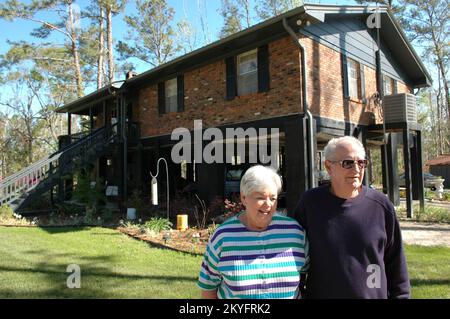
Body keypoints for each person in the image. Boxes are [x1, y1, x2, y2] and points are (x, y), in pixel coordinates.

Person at [294, 136, 410, 299]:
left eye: (361, 162)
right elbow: (294, 256)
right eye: (348, 162)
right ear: (329, 166)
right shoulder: (310, 203)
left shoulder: (381, 206)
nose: (356, 169)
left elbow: (396, 266)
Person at [198, 165, 309, 299]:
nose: (268, 204)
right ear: (244, 198)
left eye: (273, 198)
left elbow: (311, 276)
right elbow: (208, 288)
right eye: (260, 197)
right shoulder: (223, 237)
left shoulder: (294, 233)